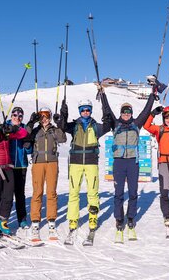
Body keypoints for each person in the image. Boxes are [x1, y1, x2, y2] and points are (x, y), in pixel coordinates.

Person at [103, 84, 160, 231]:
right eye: (124, 112)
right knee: (119, 192)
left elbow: (146, 111)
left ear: (131, 113)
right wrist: (102, 95)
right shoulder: (115, 124)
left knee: (133, 192)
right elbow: (107, 110)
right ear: (121, 113)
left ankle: (130, 217)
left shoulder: (136, 123)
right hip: (119, 163)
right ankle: (119, 218)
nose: (126, 114)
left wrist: (152, 96)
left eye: (129, 112)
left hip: (133, 162)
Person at [59, 92, 111, 234]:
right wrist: (63, 113)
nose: (85, 112)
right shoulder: (74, 125)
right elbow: (62, 126)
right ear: (80, 111)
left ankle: (93, 217)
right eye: (83, 110)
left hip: (91, 163)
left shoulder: (96, 127)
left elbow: (108, 126)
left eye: (88, 109)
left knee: (93, 192)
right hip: (75, 163)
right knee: (73, 192)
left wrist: (106, 112)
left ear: (91, 110)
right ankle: (73, 218)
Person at [25, 107, 66, 240]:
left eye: (47, 115)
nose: (45, 118)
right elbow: (25, 136)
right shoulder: (36, 131)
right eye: (41, 116)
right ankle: (35, 221)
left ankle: (51, 220)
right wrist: (31, 123)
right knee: (37, 192)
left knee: (51, 192)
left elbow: (63, 138)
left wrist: (59, 124)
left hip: (52, 163)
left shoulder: (54, 130)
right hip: (38, 163)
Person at [6, 106, 32, 229]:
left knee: (20, 194)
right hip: (8, 165)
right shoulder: (6, 127)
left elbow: (30, 149)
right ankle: (3, 219)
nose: (17, 118)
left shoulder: (24, 129)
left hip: (21, 165)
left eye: (20, 116)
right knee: (6, 194)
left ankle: (22, 219)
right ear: (11, 116)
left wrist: (27, 145)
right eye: (15, 115)